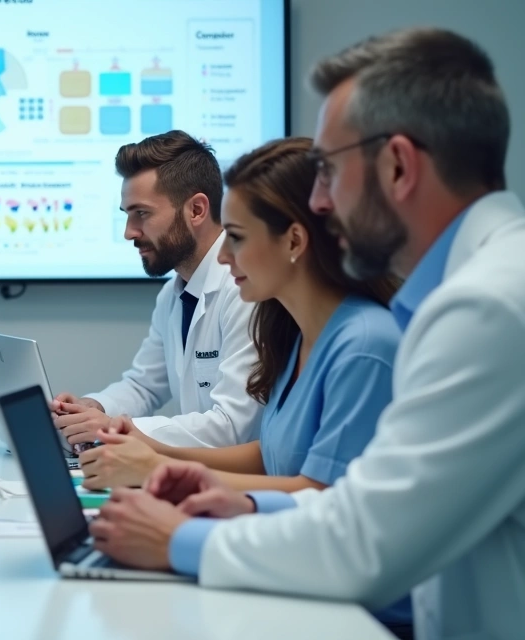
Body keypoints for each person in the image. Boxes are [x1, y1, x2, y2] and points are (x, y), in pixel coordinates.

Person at [87, 28, 525, 640]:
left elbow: (365, 541)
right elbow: (353, 503)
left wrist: (182, 540)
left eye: (327, 170)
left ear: (398, 165)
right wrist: (238, 499)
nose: (319, 201)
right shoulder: (480, 288)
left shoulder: (488, 308)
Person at [77, 137, 412, 627]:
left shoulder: (363, 344)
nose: (225, 257)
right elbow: (268, 450)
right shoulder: (296, 336)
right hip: (303, 576)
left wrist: (155, 467)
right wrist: (170, 465)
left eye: (236, 237)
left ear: (295, 242)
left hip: (361, 612)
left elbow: (321, 494)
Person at [54, 130, 262, 448]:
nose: (129, 232)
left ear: (196, 210)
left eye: (142, 214)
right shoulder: (173, 294)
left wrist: (114, 427)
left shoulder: (245, 289)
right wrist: (92, 409)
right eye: (127, 215)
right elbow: (144, 386)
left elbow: (231, 426)